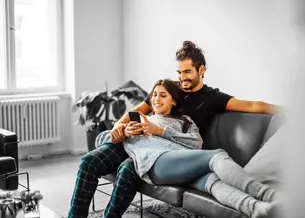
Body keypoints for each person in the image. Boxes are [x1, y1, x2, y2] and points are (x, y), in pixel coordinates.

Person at [68, 41, 281, 218]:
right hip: (137, 141)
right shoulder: (168, 90)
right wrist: (119, 128)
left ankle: (261, 207)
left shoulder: (212, 98)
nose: (182, 78)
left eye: (187, 72)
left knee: (127, 170)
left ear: (201, 70)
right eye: (179, 72)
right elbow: (139, 109)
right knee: (89, 162)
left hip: (169, 152)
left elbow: (254, 106)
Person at [122, 78, 277, 218]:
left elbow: (196, 143)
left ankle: (257, 209)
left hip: (183, 165)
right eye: (154, 95)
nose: (156, 99)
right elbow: (122, 142)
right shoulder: (144, 120)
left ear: (173, 101)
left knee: (213, 181)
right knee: (216, 155)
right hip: (156, 163)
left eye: (163, 95)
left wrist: (161, 131)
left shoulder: (185, 121)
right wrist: (125, 131)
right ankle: (269, 195)